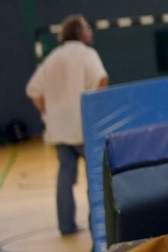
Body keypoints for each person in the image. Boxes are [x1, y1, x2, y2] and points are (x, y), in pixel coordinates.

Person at [26, 14, 109, 236]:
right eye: (88, 27)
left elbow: (33, 90)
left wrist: (48, 112)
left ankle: (66, 225)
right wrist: (95, 109)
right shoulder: (87, 54)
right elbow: (102, 79)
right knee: (96, 177)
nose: (91, 31)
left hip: (58, 128)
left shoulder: (52, 57)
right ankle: (98, 225)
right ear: (80, 33)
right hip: (83, 127)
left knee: (65, 177)